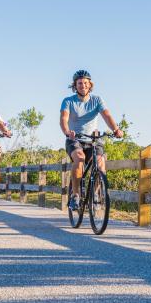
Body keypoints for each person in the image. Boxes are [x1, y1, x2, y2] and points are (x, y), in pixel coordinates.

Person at [59, 69, 123, 210]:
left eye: (85, 83)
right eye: (80, 83)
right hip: (74, 139)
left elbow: (107, 116)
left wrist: (116, 129)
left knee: (100, 165)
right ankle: (75, 195)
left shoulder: (97, 100)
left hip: (93, 139)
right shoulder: (68, 101)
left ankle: (95, 194)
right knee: (79, 158)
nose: (83, 85)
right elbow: (64, 119)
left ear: (90, 85)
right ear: (75, 85)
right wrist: (67, 131)